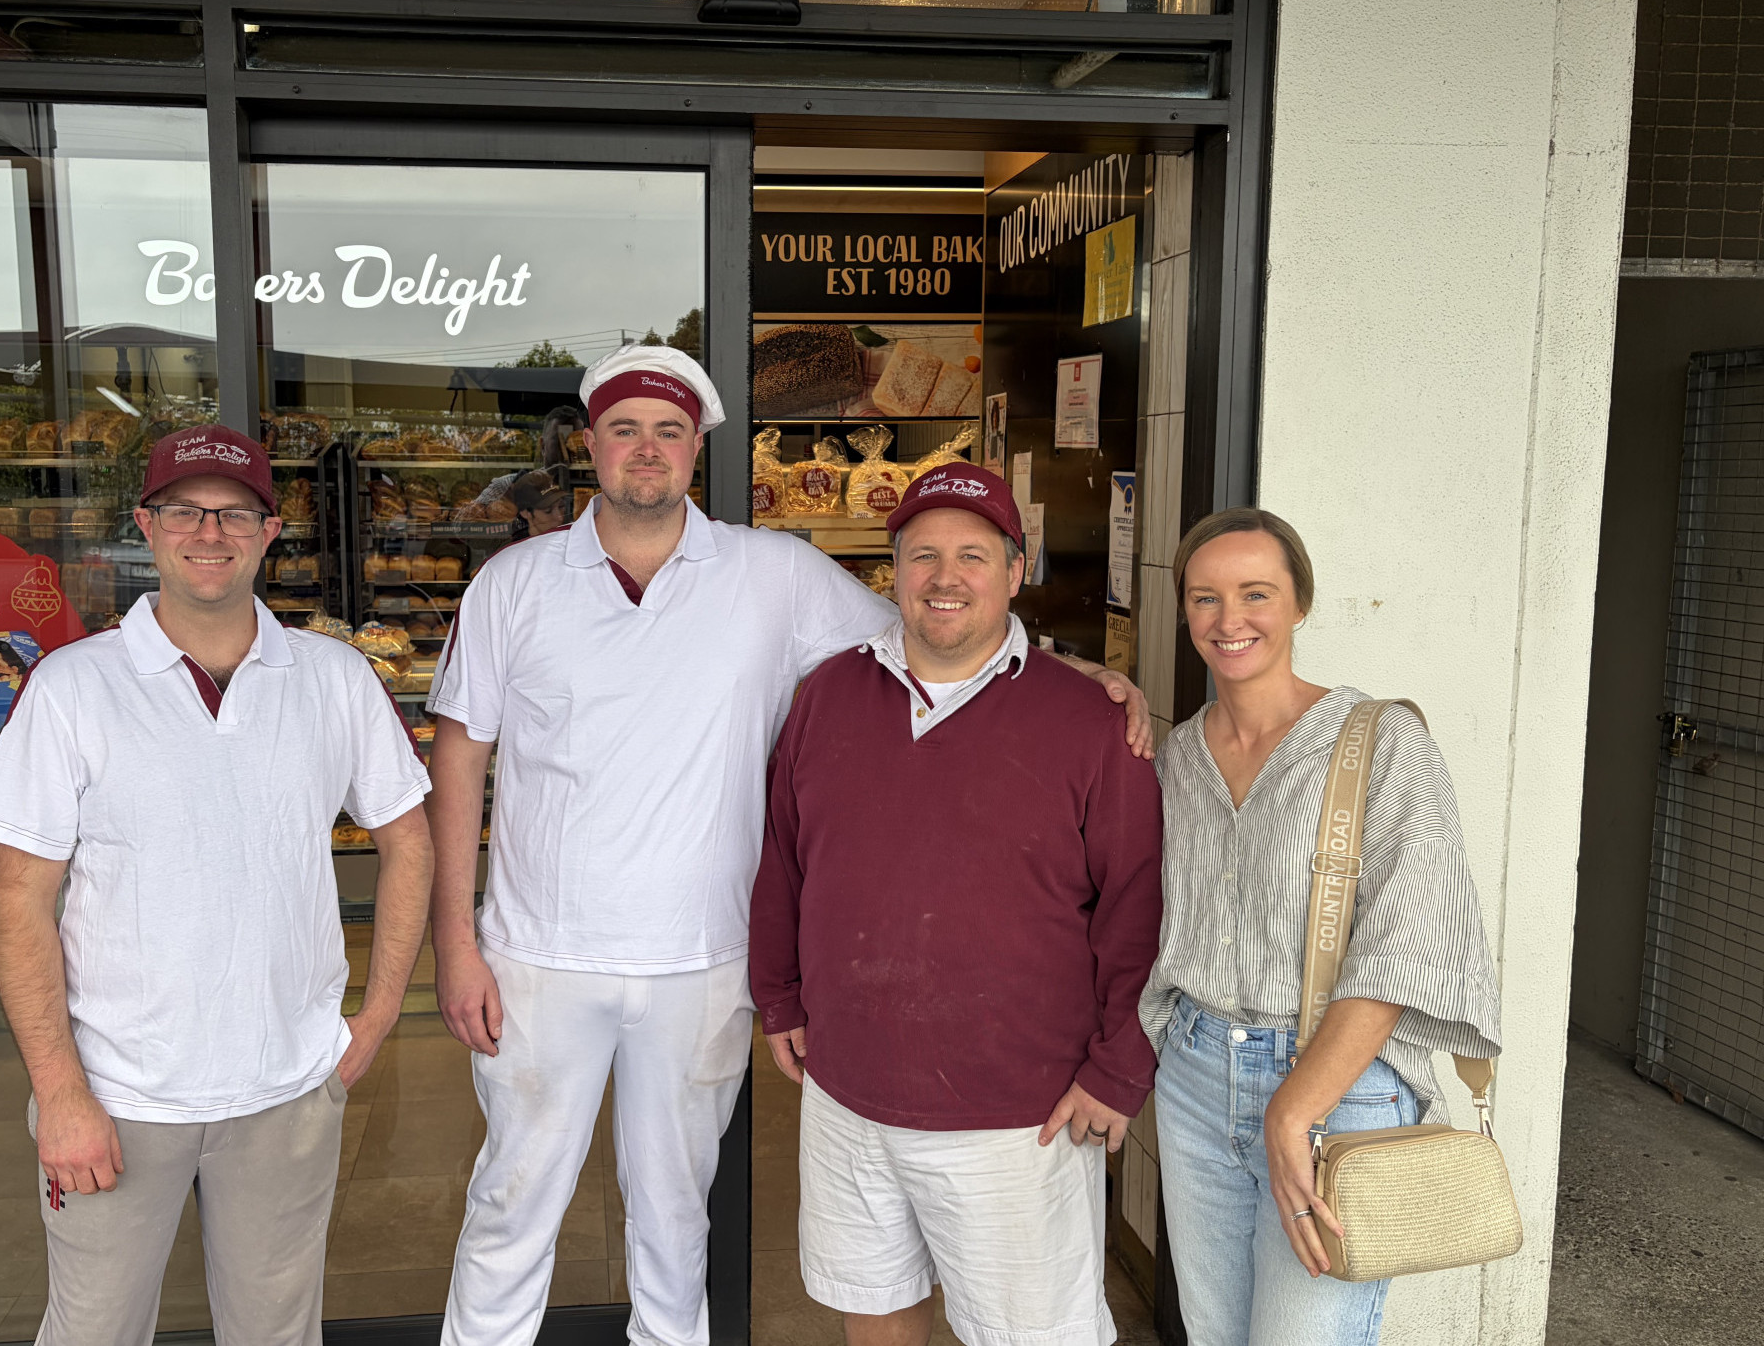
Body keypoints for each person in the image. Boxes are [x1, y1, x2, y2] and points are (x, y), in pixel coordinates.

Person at [425, 345, 1153, 1346]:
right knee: (510, 1203)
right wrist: (455, 940)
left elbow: (941, 630)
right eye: (625, 430)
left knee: (675, 1217)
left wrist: (1076, 677)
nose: (647, 449)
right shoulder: (514, 583)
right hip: (537, 957)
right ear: (588, 444)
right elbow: (460, 755)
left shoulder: (772, 572)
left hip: (701, 963)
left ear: (697, 449)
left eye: (669, 431)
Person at [0, 424, 436, 1346]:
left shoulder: (335, 678)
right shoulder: (73, 686)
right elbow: (16, 900)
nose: (210, 533)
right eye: (185, 510)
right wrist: (60, 1092)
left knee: (277, 1334)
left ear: (271, 533)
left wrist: (379, 1014)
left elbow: (410, 840)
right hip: (118, 1094)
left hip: (286, 1089)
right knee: (93, 1331)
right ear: (146, 525)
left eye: (235, 514)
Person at [750, 462, 1164, 1346]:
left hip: (1020, 1113)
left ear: (1016, 571)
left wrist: (1119, 1064)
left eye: (973, 555)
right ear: (893, 571)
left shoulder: (1089, 719)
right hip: (849, 1090)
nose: (946, 577)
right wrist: (778, 994)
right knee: (875, 1302)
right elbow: (784, 856)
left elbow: (1138, 906)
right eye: (923, 555)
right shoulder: (828, 695)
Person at [1138, 508, 1503, 1346]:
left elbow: (1409, 943)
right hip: (1196, 1076)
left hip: (1339, 1088)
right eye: (1205, 597)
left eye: (1255, 593)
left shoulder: (1381, 741)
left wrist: (1292, 1109)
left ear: (1300, 602)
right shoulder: (1180, 755)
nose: (1229, 619)